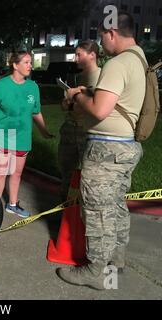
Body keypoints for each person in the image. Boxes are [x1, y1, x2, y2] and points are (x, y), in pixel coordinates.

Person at [57, 12, 145, 290]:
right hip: (126, 146)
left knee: (97, 211)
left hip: (107, 149)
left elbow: (99, 109)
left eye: (101, 35)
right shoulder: (140, 59)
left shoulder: (118, 63)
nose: (100, 41)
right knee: (116, 205)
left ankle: (96, 272)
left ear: (112, 32)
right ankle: (115, 263)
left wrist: (77, 95)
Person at [0, 51, 53, 219]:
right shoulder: (0, 86)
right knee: (1, 171)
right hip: (2, 135)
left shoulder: (33, 87)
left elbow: (36, 112)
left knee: (17, 173)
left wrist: (44, 131)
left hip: (22, 136)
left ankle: (12, 205)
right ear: (15, 65)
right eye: (26, 62)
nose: (30, 65)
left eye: (30, 62)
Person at [58, 41, 101, 201]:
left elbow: (97, 108)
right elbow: (65, 105)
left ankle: (80, 214)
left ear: (92, 55)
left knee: (88, 176)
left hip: (87, 132)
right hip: (70, 129)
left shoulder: (102, 77)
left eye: (79, 55)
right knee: (66, 172)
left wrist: (76, 100)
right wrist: (67, 102)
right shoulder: (78, 77)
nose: (75, 59)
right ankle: (63, 211)